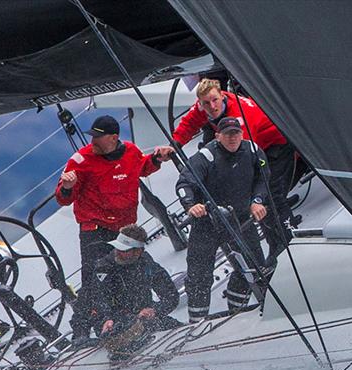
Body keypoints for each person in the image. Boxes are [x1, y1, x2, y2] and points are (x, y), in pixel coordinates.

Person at [171, 78, 297, 264]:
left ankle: (289, 241)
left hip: (273, 147)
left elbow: (243, 157)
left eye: (215, 100)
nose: (212, 106)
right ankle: (274, 242)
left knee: (270, 197)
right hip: (253, 148)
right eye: (206, 103)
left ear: (222, 95)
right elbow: (188, 124)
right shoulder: (204, 106)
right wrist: (174, 145)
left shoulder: (241, 118)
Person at [55, 114, 174, 297]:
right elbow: (63, 200)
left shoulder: (131, 151)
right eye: (92, 136)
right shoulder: (80, 161)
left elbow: (143, 168)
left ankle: (144, 312)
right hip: (95, 229)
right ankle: (92, 318)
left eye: (97, 137)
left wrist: (157, 158)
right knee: (95, 277)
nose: (92, 140)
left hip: (125, 229)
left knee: (133, 272)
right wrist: (67, 187)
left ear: (113, 138)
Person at [176, 117, 268, 323]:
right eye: (227, 134)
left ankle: (238, 310)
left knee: (256, 266)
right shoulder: (205, 156)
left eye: (236, 133)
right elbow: (184, 183)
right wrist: (191, 205)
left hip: (240, 220)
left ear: (242, 134)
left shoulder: (253, 151)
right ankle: (196, 322)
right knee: (199, 276)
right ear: (218, 136)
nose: (232, 138)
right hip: (207, 222)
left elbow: (263, 179)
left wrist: (257, 201)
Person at [70, 224, 180, 340]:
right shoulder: (103, 269)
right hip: (115, 325)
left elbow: (171, 296)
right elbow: (99, 300)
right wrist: (106, 320)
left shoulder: (147, 263)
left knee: (176, 328)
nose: (118, 252)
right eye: (117, 247)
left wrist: (155, 310)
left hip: (146, 319)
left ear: (138, 251)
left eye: (124, 250)